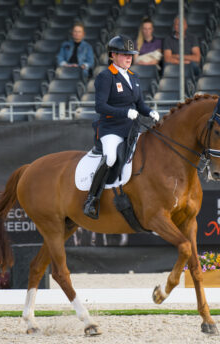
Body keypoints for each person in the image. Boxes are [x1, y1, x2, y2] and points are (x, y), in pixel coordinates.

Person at [83, 34, 160, 219]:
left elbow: (140, 104)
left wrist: (150, 112)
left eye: (130, 54)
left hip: (132, 128)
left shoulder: (133, 77)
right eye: (124, 54)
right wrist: (124, 112)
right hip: (111, 128)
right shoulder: (106, 76)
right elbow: (100, 106)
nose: (128, 58)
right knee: (110, 158)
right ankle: (92, 199)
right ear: (113, 56)